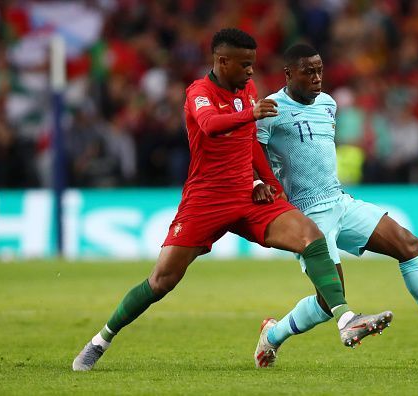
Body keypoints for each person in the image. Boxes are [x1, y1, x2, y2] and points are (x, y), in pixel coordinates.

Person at [72, 29, 392, 372]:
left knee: (310, 237)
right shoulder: (200, 93)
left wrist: (267, 181)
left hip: (248, 195)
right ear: (221, 61)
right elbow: (210, 125)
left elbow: (250, 143)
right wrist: (251, 114)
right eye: (244, 65)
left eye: (252, 65)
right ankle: (100, 340)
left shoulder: (247, 90)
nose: (251, 72)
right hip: (206, 200)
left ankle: (346, 320)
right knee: (162, 280)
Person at [254, 43, 418, 368]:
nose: (316, 78)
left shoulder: (328, 104)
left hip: (339, 201)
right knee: (329, 301)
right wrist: (261, 184)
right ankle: (273, 335)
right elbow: (252, 157)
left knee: (410, 245)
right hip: (306, 216)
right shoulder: (270, 110)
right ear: (288, 74)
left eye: (320, 70)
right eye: (307, 72)